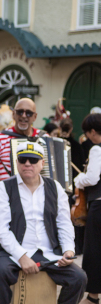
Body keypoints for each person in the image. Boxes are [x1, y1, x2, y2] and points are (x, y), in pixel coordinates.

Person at [0, 141, 87, 304]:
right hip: (11, 254)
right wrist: (22, 256)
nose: (27, 163)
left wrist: (68, 250)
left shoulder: (55, 187)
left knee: (78, 278)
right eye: (23, 159)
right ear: (17, 162)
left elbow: (64, 223)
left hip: (48, 253)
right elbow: (0, 229)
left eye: (33, 160)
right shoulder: (3, 187)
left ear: (42, 163)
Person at [0, 98, 41, 194]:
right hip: (10, 199)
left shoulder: (43, 138)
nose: (24, 116)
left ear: (35, 116)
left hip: (38, 200)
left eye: (28, 113)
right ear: (13, 114)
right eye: (20, 112)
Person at [74, 113, 101, 304]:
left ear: (92, 131)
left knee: (93, 251)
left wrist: (78, 180)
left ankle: (92, 297)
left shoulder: (97, 150)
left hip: (99, 205)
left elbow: (92, 178)